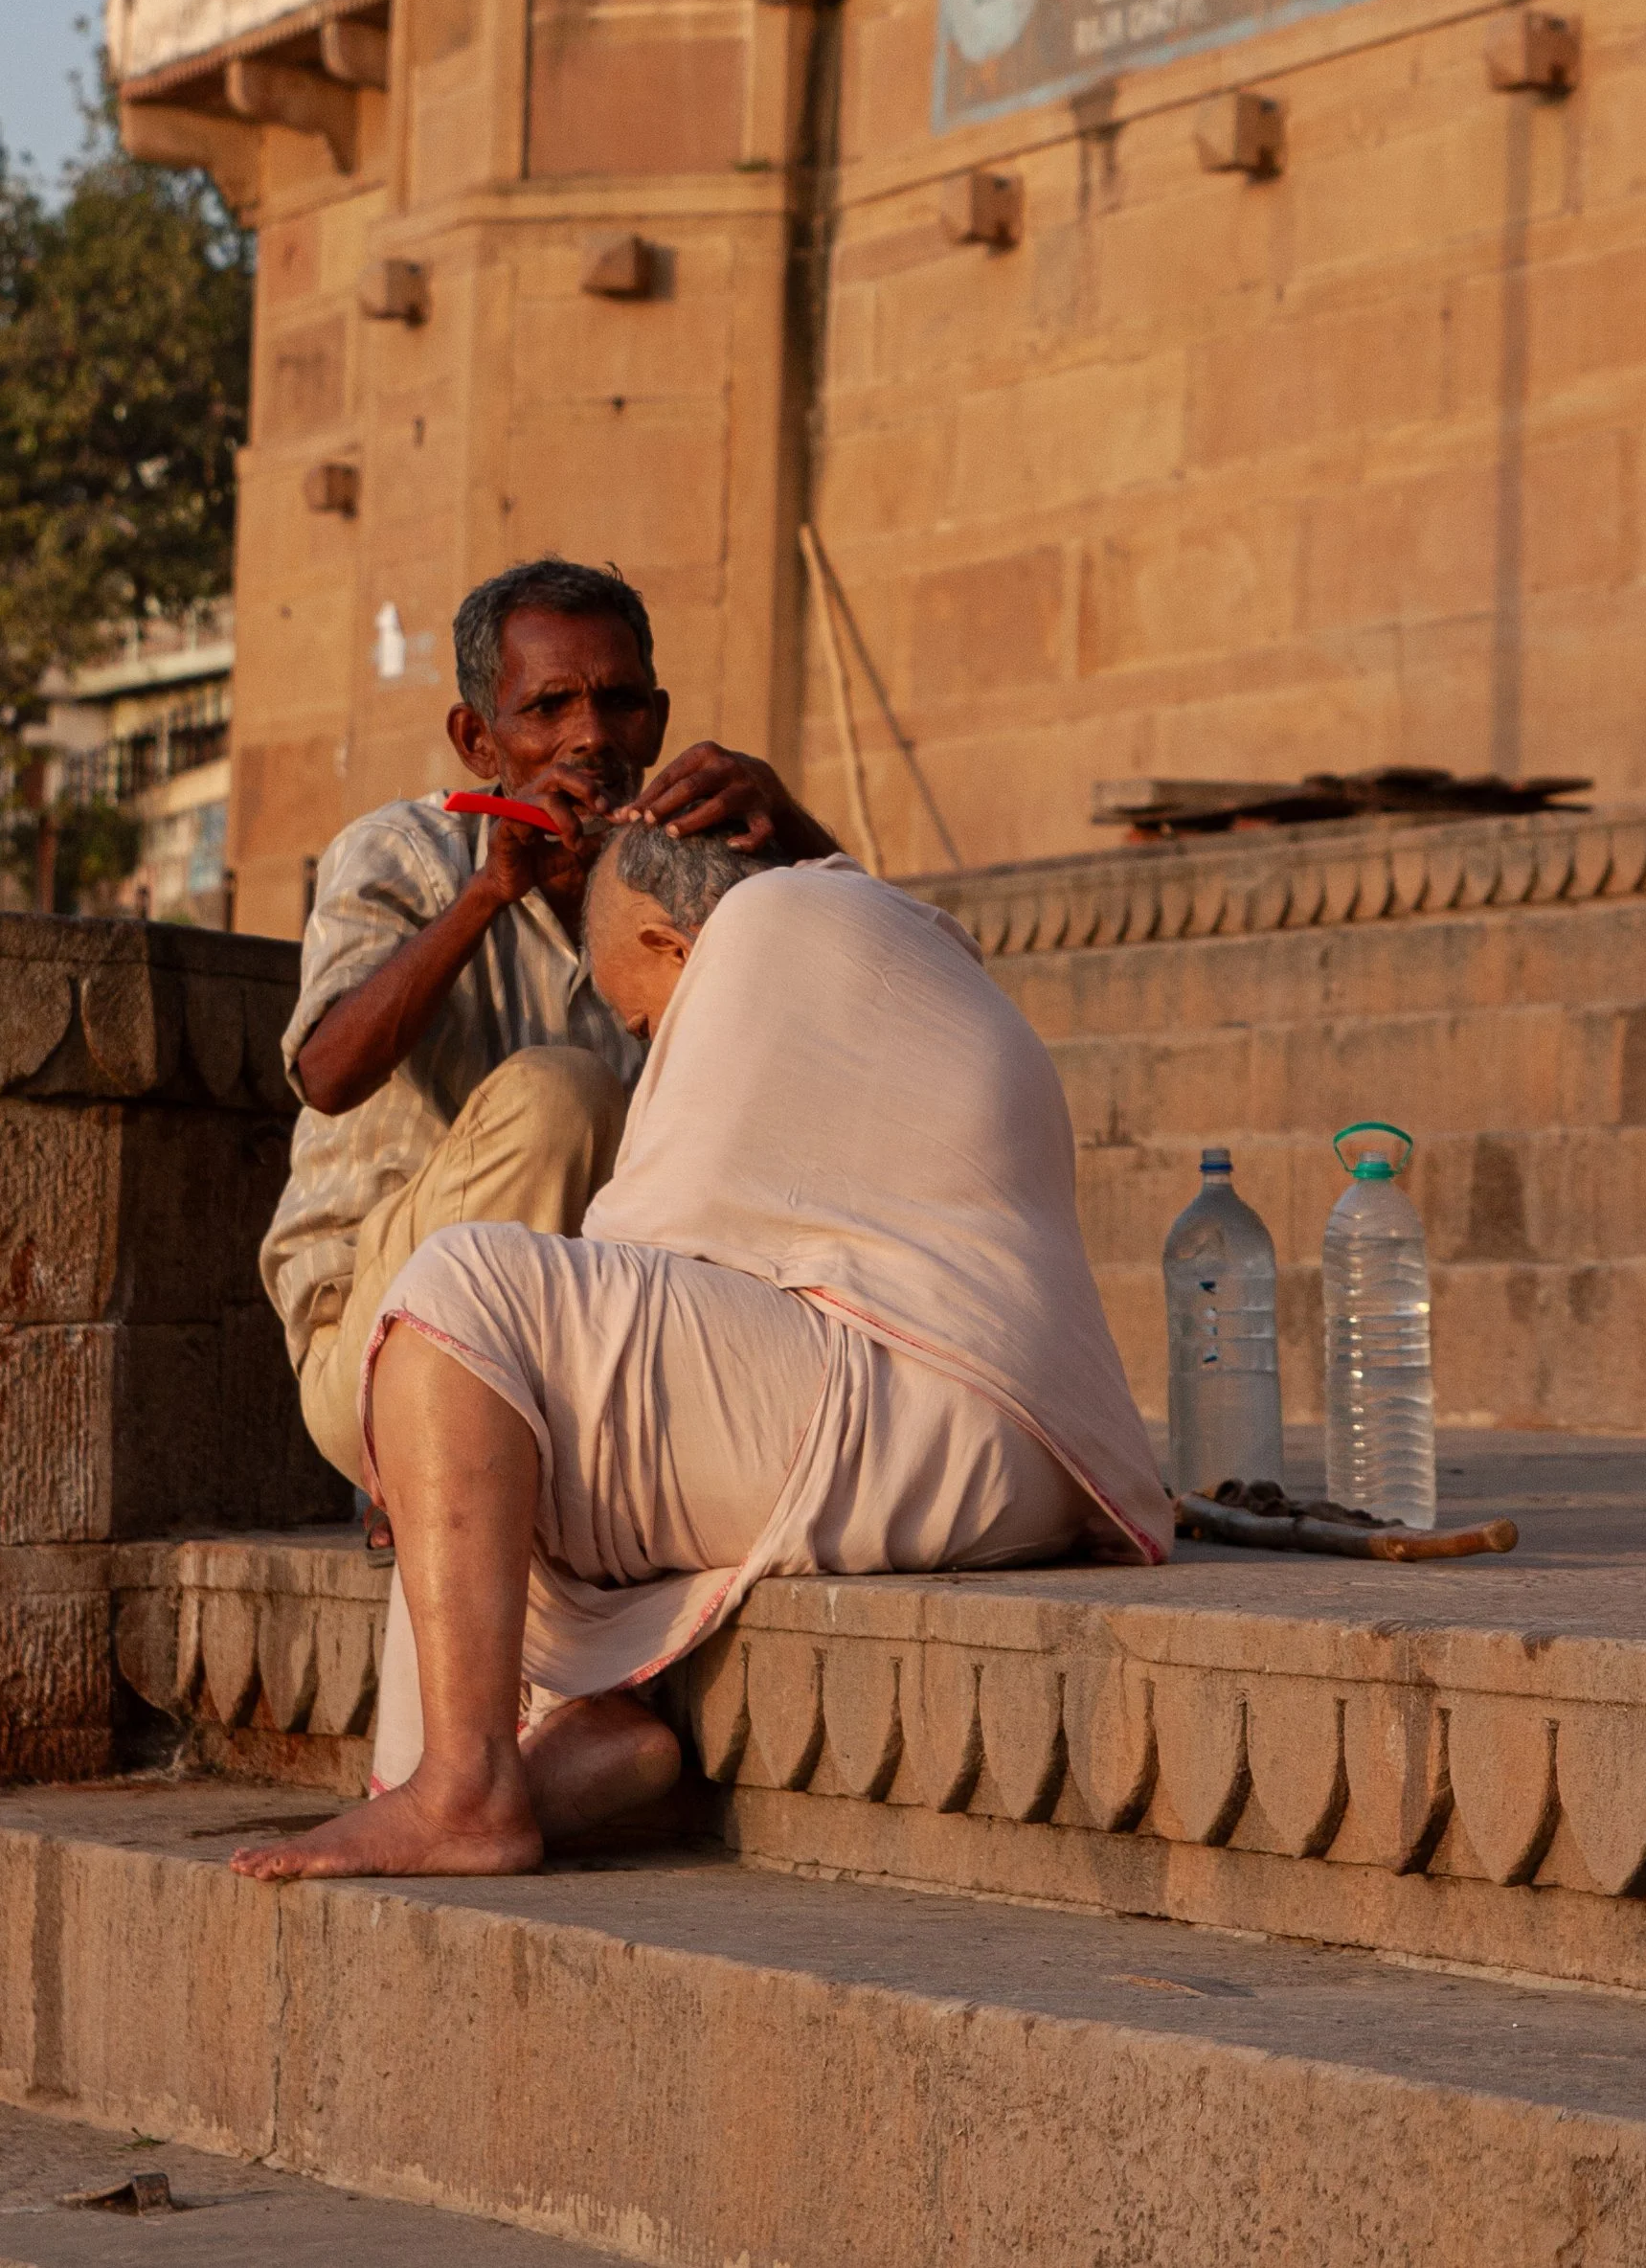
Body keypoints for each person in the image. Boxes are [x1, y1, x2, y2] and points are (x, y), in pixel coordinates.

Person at [233, 823, 1170, 1881]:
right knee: (496, 1406)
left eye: (642, 1017)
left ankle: (463, 1783)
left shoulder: (755, 931)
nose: (648, 1043)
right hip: (1029, 1462)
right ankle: (551, 1750)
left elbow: (645, 1246)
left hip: (907, 1406)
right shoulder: (887, 927)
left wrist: (442, 1423)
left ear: (671, 941)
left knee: (465, 1302)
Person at [259, 556, 837, 1501]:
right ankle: (437, 1457)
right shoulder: (402, 854)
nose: (590, 739)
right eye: (547, 709)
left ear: (655, 719)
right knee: (557, 1094)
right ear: (477, 741)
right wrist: (490, 891)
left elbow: (899, 1016)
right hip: (377, 1352)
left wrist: (793, 832)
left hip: (600, 1360)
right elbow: (326, 1072)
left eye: (618, 706)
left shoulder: (686, 877)